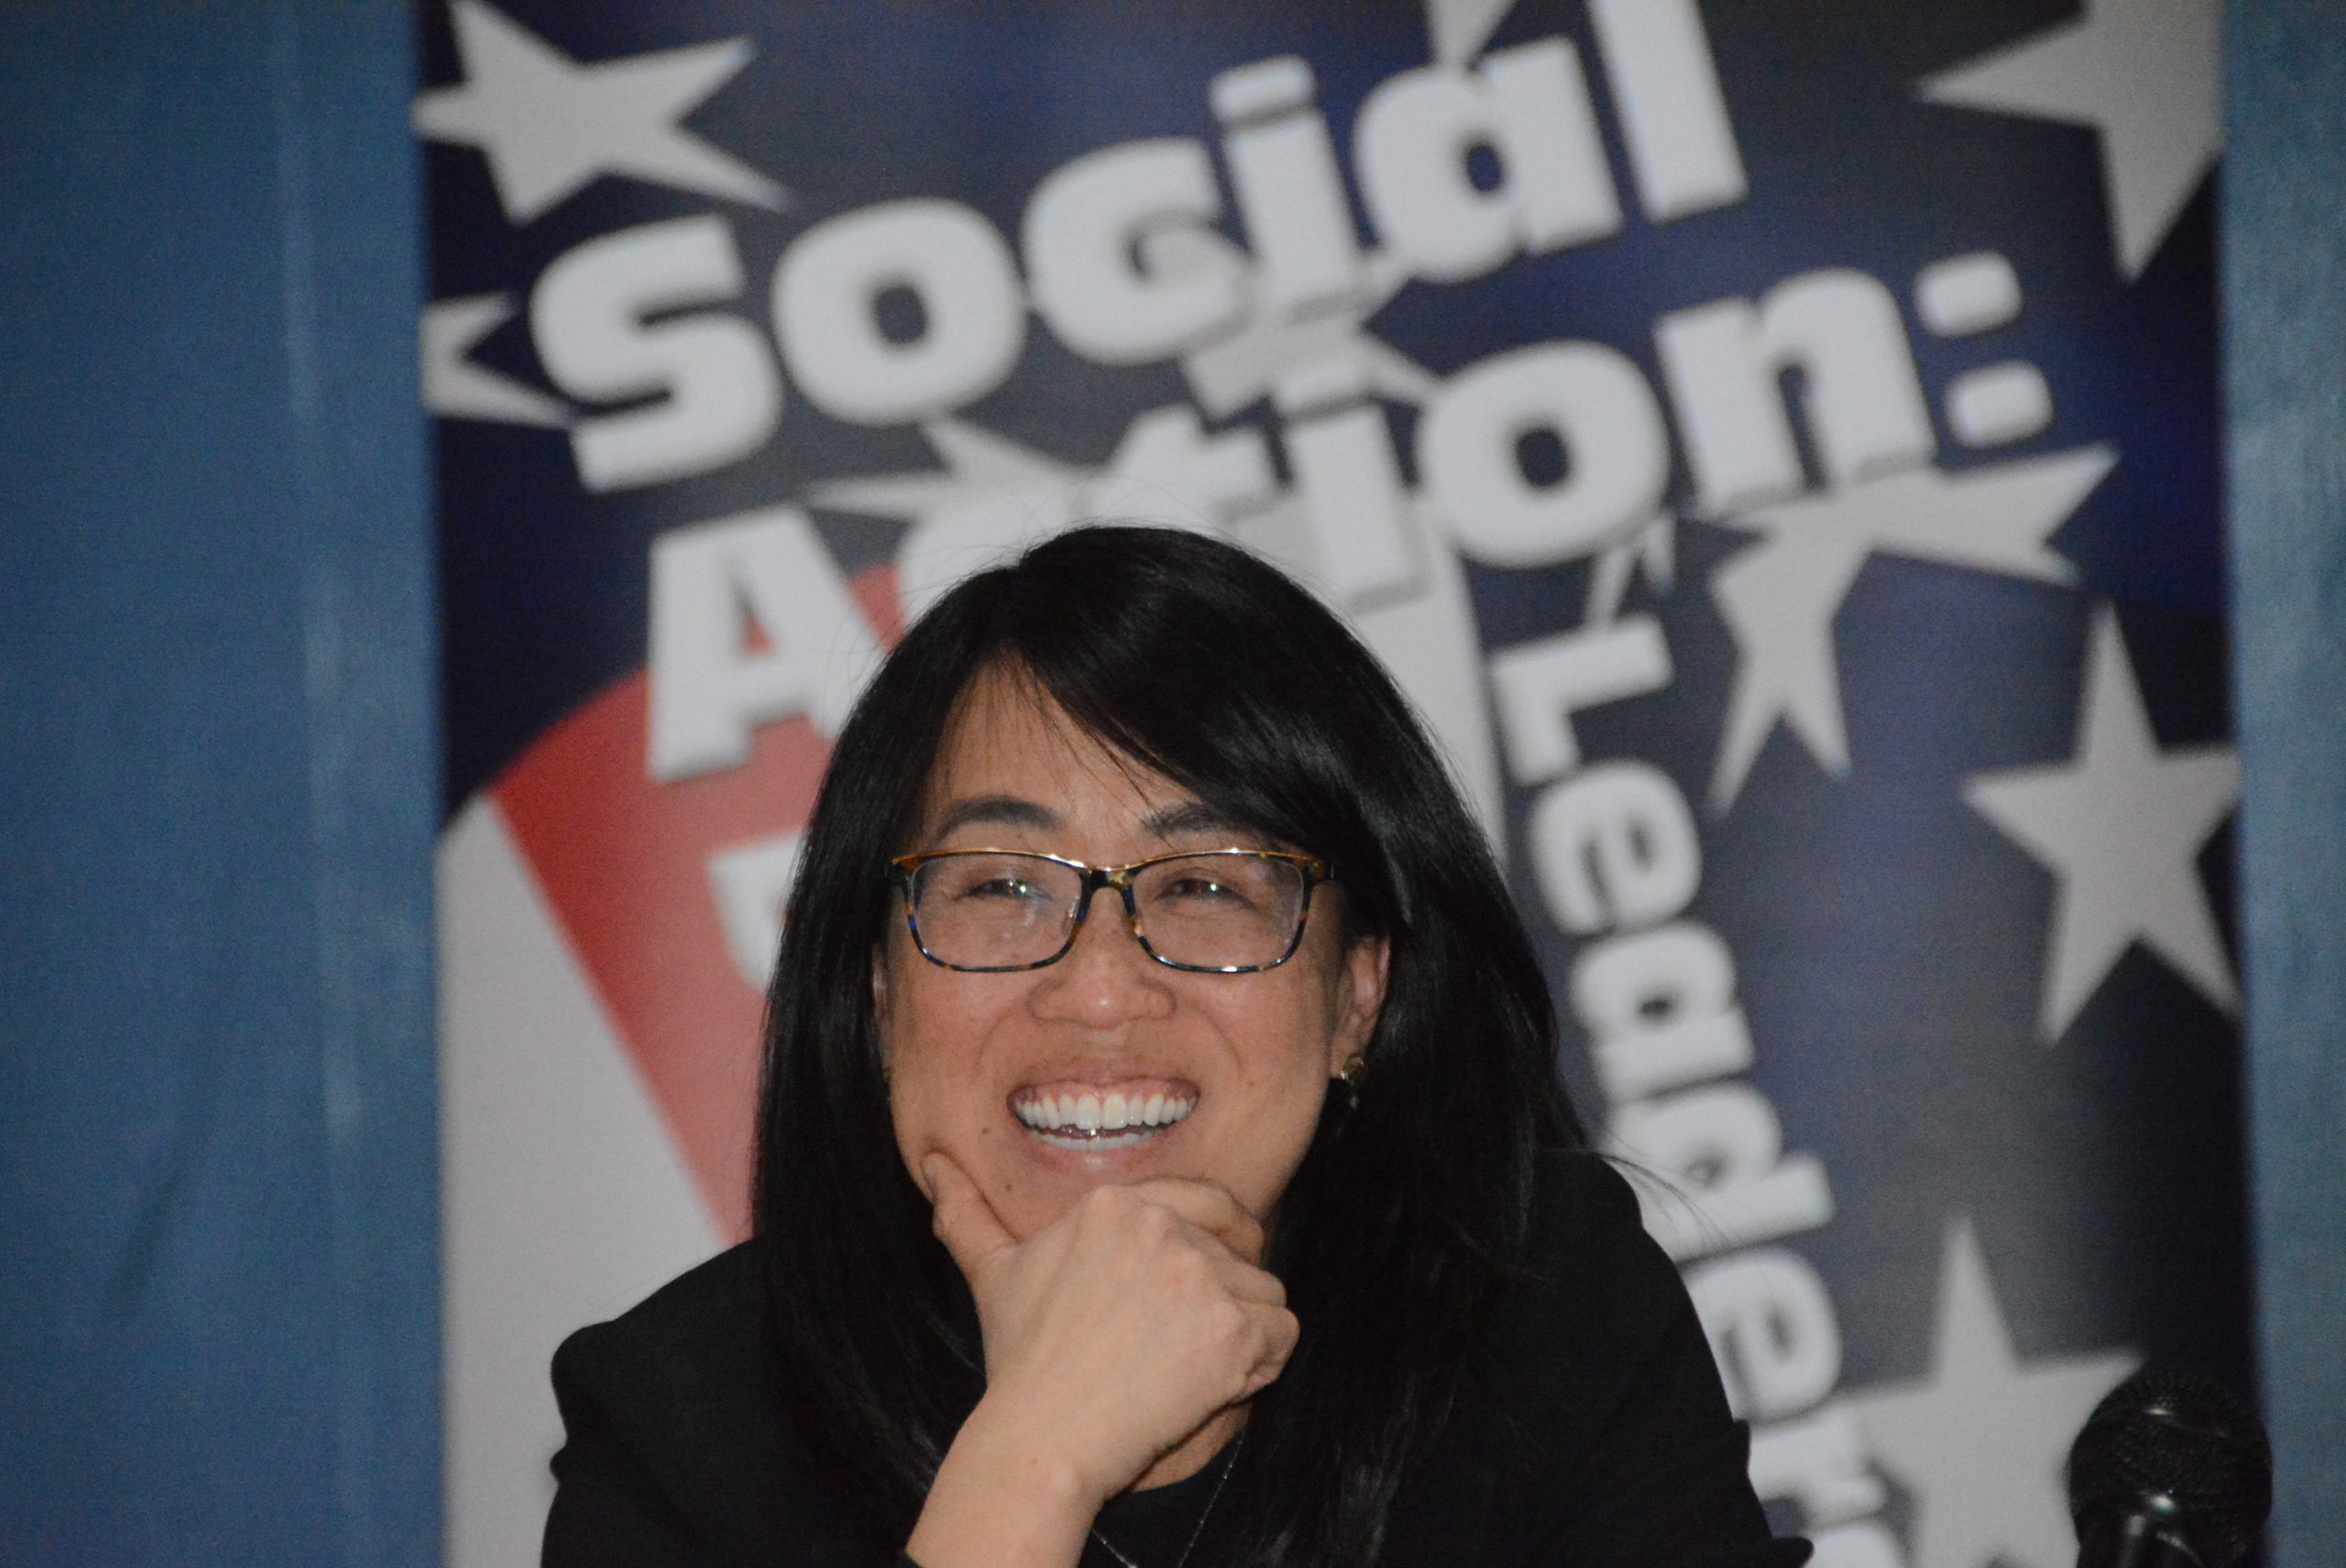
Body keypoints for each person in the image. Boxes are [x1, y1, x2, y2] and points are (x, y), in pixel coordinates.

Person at [543, 525, 1808, 1568]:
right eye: (1001, 887)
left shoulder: (1544, 1308)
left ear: (1358, 997)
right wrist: (1032, 1464)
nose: (1100, 991)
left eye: (1207, 887)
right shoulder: (683, 1432)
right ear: (878, 990)